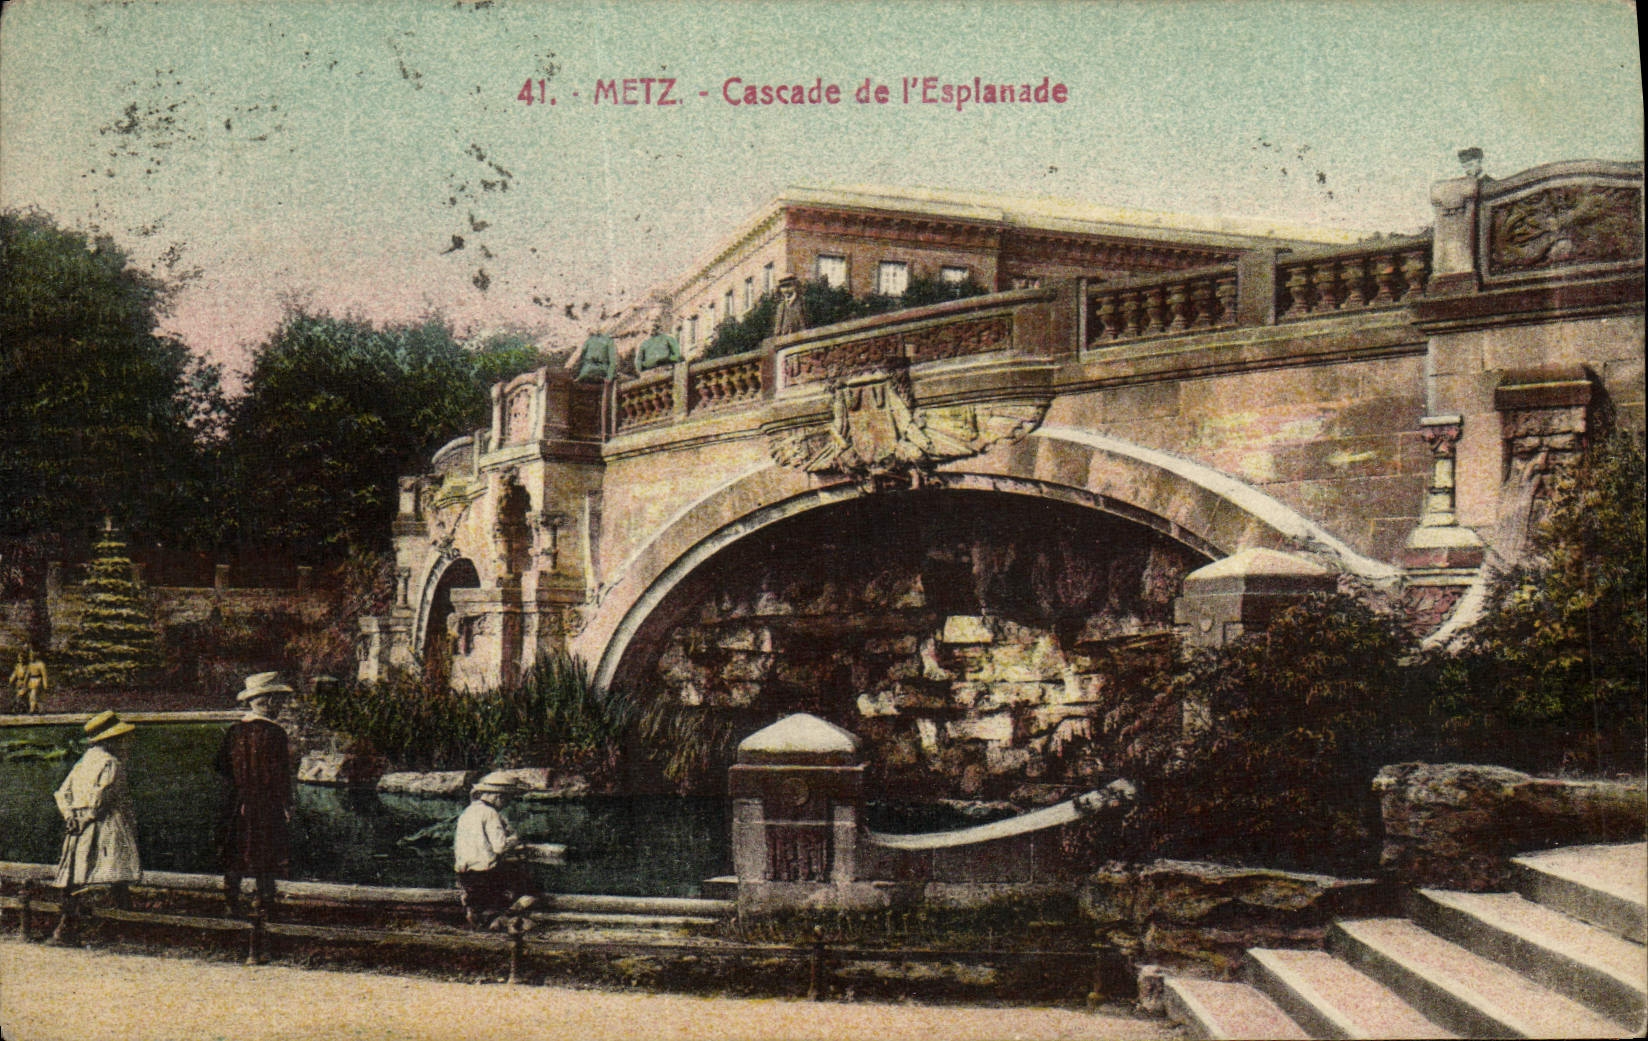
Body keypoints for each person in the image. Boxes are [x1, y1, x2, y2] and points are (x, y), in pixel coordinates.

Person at [52, 711, 141, 941]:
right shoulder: (110, 762)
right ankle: (115, 926)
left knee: (79, 871)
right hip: (103, 822)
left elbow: (62, 793)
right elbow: (103, 795)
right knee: (111, 871)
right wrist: (89, 816)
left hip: (78, 825)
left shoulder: (83, 763)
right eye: (121, 739)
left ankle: (72, 925)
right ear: (111, 740)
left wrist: (70, 816)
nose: (124, 743)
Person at [215, 672, 294, 919]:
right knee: (265, 850)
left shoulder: (235, 731)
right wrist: (286, 804)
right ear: (268, 701)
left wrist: (240, 785)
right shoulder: (275, 734)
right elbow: (280, 774)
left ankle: (231, 901)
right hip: (265, 801)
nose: (281, 705)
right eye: (278, 700)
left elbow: (221, 765)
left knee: (235, 849)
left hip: (237, 800)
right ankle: (263, 903)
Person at [454, 772, 536, 928]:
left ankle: (477, 909)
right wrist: (514, 840)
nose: (506, 804)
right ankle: (508, 915)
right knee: (529, 885)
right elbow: (500, 847)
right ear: (498, 797)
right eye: (507, 800)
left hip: (464, 873)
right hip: (485, 873)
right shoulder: (490, 813)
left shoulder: (468, 811)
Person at [21, 646, 49, 713]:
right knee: (32, 696)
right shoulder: (30, 664)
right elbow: (27, 674)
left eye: (32, 655)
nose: (30, 656)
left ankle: (33, 709)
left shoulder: (41, 664)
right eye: (30, 655)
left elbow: (44, 675)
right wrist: (24, 683)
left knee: (34, 695)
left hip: (37, 680)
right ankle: (36, 709)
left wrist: (45, 684)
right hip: (31, 681)